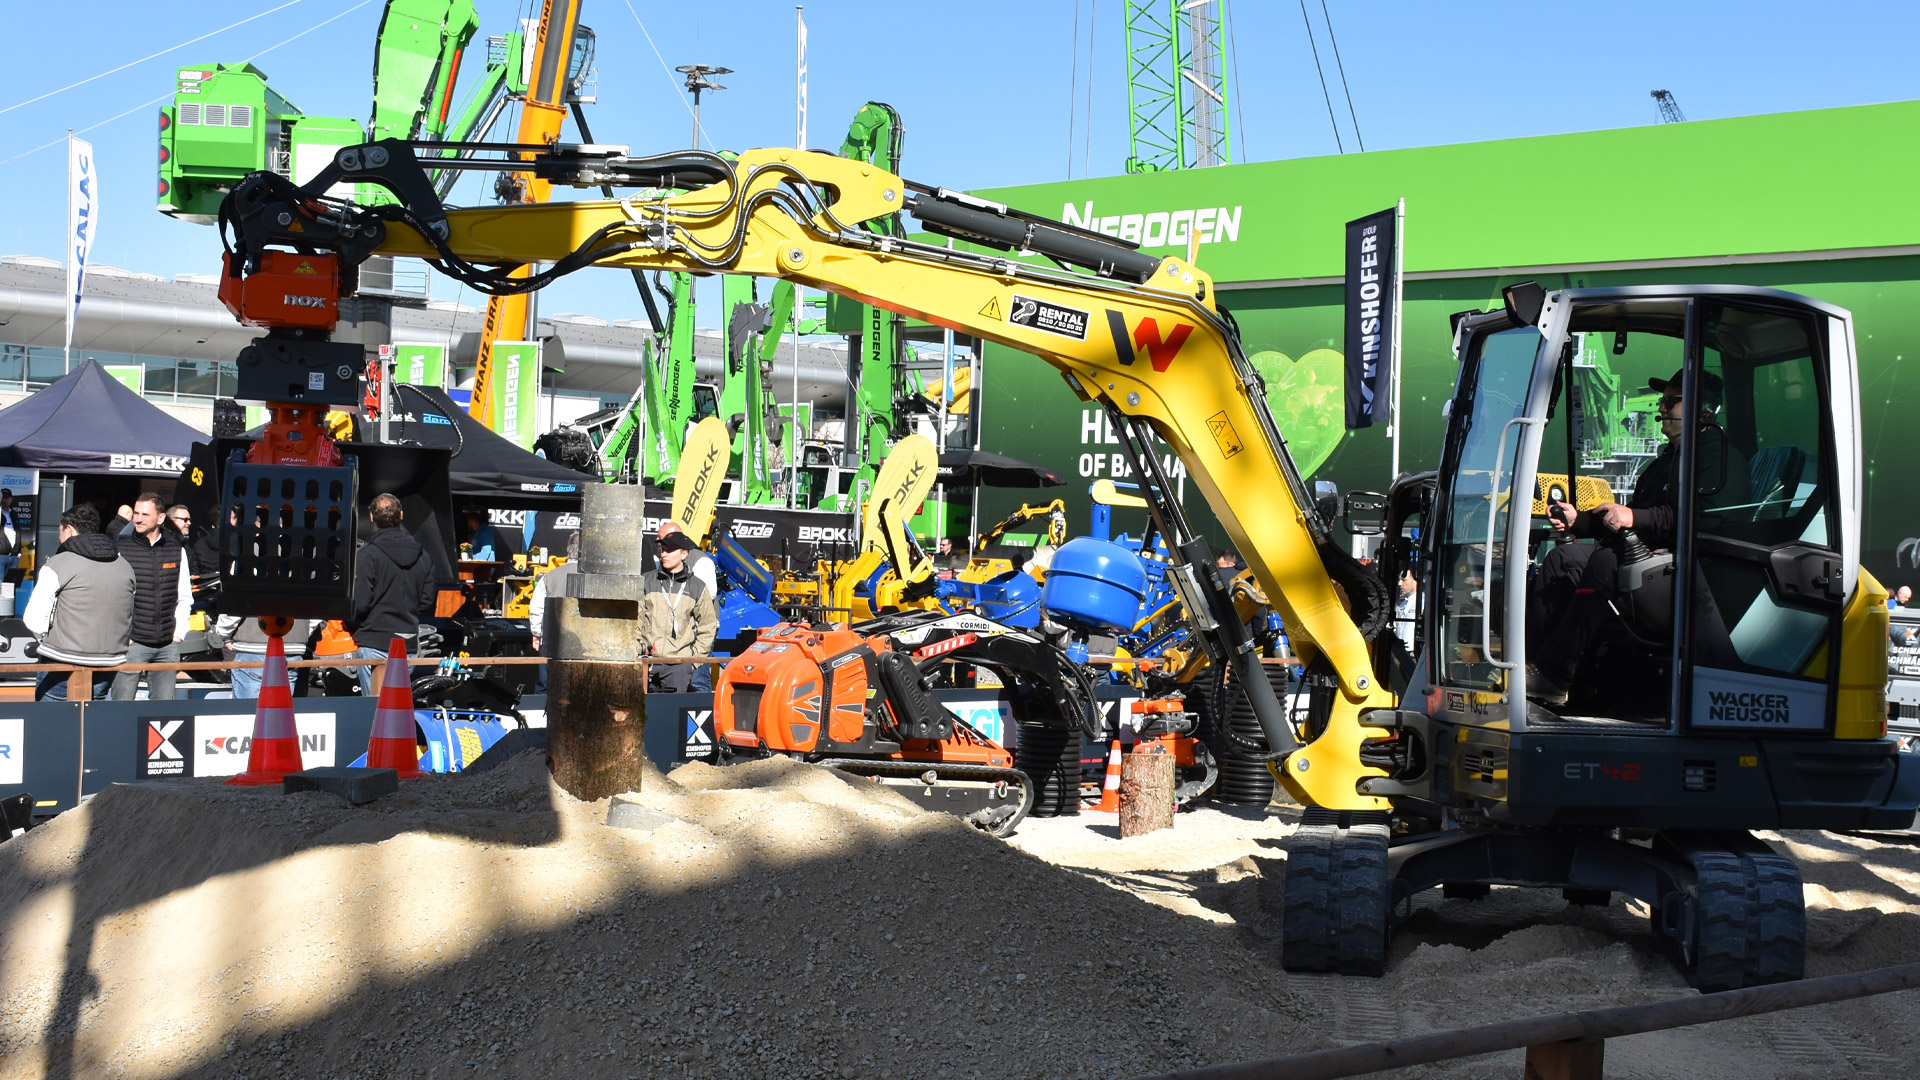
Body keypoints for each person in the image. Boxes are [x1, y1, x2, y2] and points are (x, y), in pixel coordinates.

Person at [1527, 368, 1750, 704]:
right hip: (1653, 561)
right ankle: (1533, 667)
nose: (1661, 408)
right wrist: (1580, 521)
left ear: (1702, 410)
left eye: (1671, 402)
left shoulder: (1718, 459)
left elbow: (1703, 521)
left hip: (1691, 571)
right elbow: (1630, 519)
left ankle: (1556, 676)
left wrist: (1634, 516)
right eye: (1663, 401)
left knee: (1606, 560)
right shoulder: (1666, 461)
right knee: (1563, 558)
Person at [22, 504, 135, 701]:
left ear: (69, 530)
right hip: (109, 662)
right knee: (90, 725)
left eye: (60, 532)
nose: (59, 538)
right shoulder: (125, 566)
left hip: (61, 660)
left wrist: (46, 641)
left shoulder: (58, 563)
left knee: (49, 726)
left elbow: (33, 619)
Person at [348, 493, 436, 697]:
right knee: (397, 708)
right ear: (401, 515)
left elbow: (359, 604)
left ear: (371, 517)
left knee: (376, 714)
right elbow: (427, 603)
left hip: (374, 641)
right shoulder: (423, 556)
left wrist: (352, 627)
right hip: (407, 641)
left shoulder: (367, 555)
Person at [111, 493, 192, 701]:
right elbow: (116, 598)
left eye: (145, 514)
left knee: (162, 712)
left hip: (168, 643)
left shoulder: (176, 550)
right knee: (121, 707)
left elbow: (183, 596)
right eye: (136, 513)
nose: (138, 519)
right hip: (133, 643)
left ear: (161, 518)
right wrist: (124, 636)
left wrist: (178, 635)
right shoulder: (121, 549)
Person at [641, 529, 716, 693]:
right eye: (662, 549)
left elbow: (708, 626)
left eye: (670, 550)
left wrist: (692, 662)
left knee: (673, 717)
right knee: (642, 715)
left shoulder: (697, 587)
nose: (664, 554)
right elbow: (635, 621)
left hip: (679, 666)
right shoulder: (646, 581)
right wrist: (638, 650)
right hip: (646, 662)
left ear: (684, 554)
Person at [213, 615, 312, 698]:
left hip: (253, 649)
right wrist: (304, 632)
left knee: (248, 712)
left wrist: (223, 635)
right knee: (280, 710)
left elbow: (234, 604)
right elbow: (319, 606)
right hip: (294, 648)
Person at [656, 520, 718, 597]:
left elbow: (709, 595)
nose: (657, 541)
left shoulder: (701, 562)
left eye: (660, 538)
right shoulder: (662, 557)